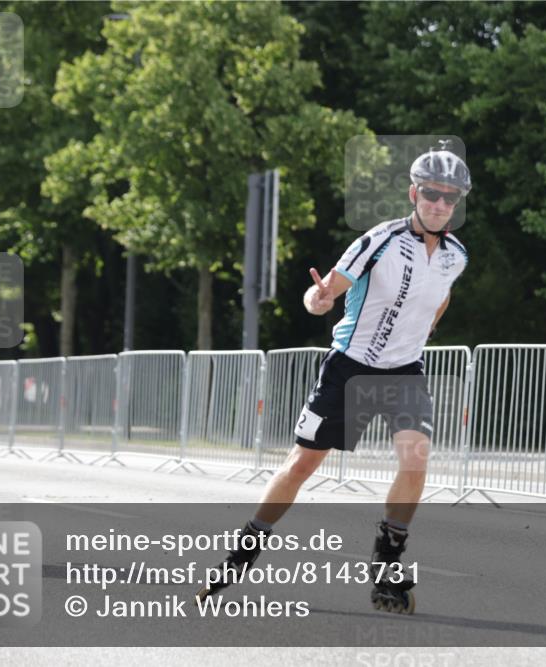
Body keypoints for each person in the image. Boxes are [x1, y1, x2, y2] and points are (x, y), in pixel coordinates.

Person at [197, 146, 471, 614]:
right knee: (302, 465)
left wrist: (427, 328)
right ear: (414, 193)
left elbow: (439, 297)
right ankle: (241, 552)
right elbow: (323, 291)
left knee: (415, 460)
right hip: (351, 367)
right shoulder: (378, 241)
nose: (439, 203)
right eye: (431, 193)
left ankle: (387, 562)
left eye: (450, 197)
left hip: (404, 371)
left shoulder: (455, 256)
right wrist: (317, 301)